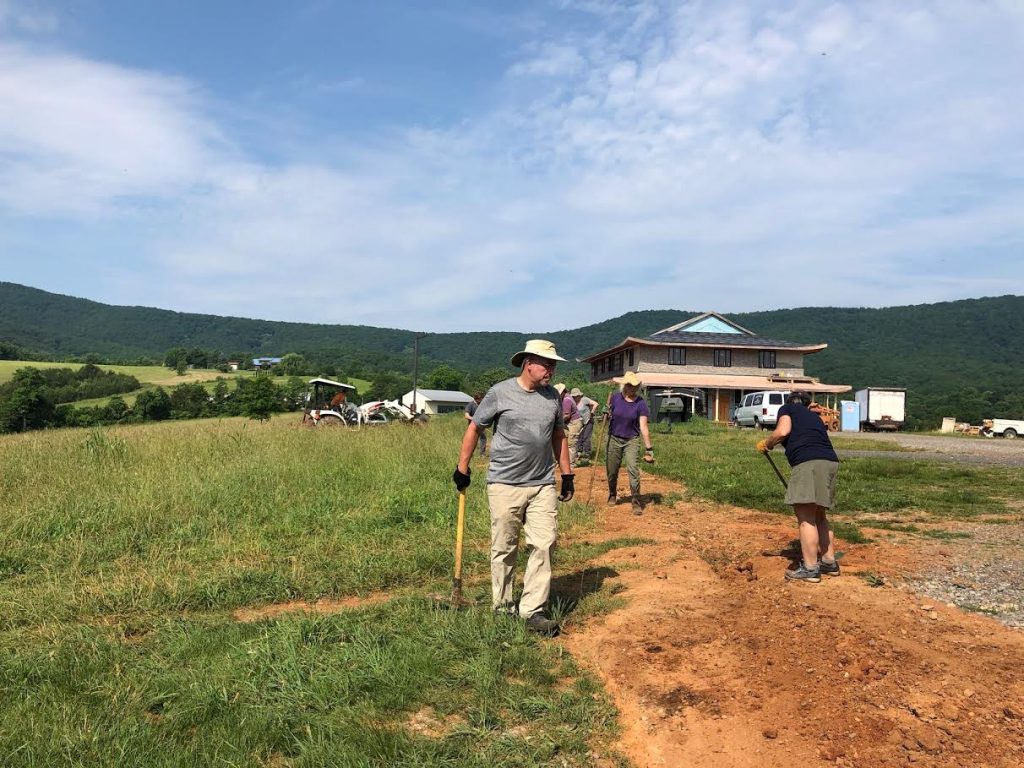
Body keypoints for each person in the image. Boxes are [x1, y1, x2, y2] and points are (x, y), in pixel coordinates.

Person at [453, 339, 574, 636]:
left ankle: (533, 611)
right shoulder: (500, 392)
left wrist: (567, 474)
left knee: (544, 543)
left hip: (542, 483)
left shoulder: (553, 399)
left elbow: (558, 436)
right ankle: (503, 606)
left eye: (553, 364)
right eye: (546, 364)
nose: (551, 369)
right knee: (505, 547)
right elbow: (474, 428)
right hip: (505, 483)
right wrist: (462, 467)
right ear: (527, 363)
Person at [758, 391, 840, 583]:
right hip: (829, 461)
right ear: (807, 404)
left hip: (807, 462)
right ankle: (829, 563)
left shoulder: (787, 409)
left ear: (790, 402)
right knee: (820, 515)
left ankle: (810, 568)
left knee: (805, 518)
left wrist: (767, 444)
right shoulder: (814, 417)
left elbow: (783, 431)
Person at [605, 371, 654, 515]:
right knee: (612, 470)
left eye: (634, 386)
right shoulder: (614, 399)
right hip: (614, 438)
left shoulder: (641, 404)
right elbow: (607, 419)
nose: (632, 388)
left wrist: (649, 448)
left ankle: (635, 499)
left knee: (633, 469)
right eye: (629, 385)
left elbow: (644, 427)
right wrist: (605, 413)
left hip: (631, 440)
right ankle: (612, 493)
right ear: (624, 385)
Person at [555, 383, 582, 467]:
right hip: (570, 423)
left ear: (563, 392)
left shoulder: (566, 400)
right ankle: (565, 462)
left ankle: (571, 464)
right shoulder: (566, 398)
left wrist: (556, 422)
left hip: (573, 422)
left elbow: (567, 415)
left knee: (571, 443)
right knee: (565, 441)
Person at [571, 387, 599, 461]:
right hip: (579, 422)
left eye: (577, 396)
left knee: (586, 437)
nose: (576, 397)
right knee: (578, 438)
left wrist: (592, 411)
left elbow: (596, 404)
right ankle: (578, 453)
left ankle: (587, 454)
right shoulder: (572, 402)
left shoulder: (584, 399)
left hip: (588, 421)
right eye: (574, 396)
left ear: (579, 395)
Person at [464, 392, 486, 456]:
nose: (482, 401)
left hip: (480, 426)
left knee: (483, 439)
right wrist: (473, 418)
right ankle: (470, 454)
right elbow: (466, 415)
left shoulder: (482, 405)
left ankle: (482, 454)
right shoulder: (470, 405)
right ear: (477, 399)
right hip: (472, 426)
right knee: (472, 440)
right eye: (481, 399)